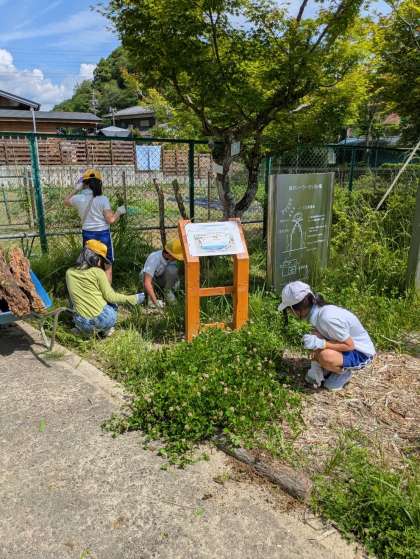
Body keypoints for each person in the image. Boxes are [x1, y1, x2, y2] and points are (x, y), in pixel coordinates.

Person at [278, 280, 376, 391]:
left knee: (326, 356)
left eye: (289, 310)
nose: (290, 313)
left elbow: (349, 345)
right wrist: (315, 362)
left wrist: (322, 344)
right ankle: (325, 367)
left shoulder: (327, 318)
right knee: (313, 338)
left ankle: (343, 373)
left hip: (360, 352)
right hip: (342, 344)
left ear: (295, 308)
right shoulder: (315, 313)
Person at [66, 239, 144, 337]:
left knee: (73, 299)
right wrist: (134, 298)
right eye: (101, 259)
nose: (100, 263)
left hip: (82, 323)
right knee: (112, 302)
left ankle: (81, 330)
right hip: (103, 320)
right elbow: (110, 297)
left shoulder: (69, 272)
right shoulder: (97, 272)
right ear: (94, 257)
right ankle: (106, 330)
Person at [64, 168, 126, 283]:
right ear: (99, 184)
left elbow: (66, 201)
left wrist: (76, 189)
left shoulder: (78, 199)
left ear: (84, 183)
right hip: (103, 235)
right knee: (107, 266)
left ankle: (92, 291)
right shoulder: (103, 199)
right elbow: (111, 220)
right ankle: (107, 292)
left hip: (87, 235)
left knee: (90, 265)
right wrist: (119, 211)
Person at [141, 239, 184, 308]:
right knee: (145, 275)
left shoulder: (170, 259)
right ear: (168, 254)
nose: (177, 259)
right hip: (150, 281)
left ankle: (167, 292)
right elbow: (147, 282)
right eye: (175, 257)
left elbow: (174, 273)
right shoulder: (154, 258)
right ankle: (150, 300)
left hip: (161, 279)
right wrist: (156, 303)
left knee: (173, 269)